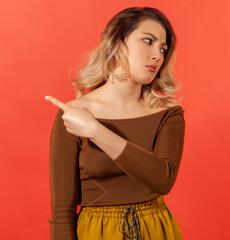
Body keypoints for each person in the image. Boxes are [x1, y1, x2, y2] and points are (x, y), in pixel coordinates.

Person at [44, 6, 185, 240]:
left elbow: (163, 179)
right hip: (96, 233)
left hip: (156, 230)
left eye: (163, 48)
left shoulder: (168, 113)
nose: (158, 55)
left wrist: (96, 131)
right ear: (118, 42)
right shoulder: (74, 115)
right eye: (148, 41)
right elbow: (62, 213)